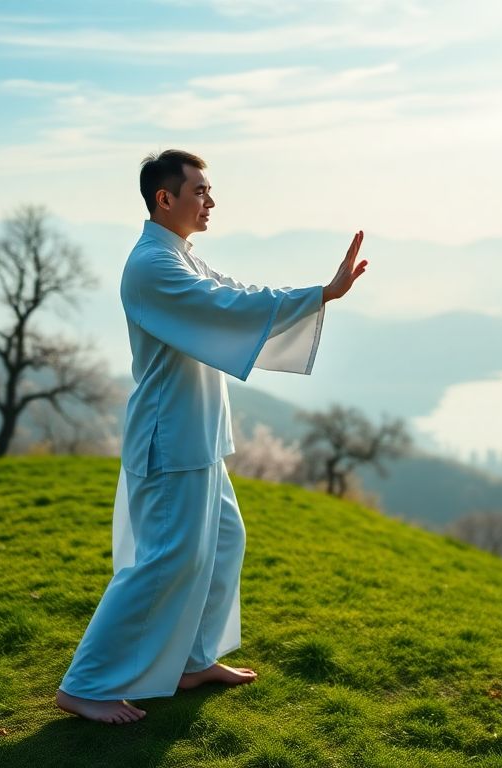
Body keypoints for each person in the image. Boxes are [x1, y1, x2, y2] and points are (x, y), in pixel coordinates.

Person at [54, 149, 367, 724]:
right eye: (199, 191)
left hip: (196, 436)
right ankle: (86, 684)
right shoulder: (153, 265)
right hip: (169, 438)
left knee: (224, 543)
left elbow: (235, 291)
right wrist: (319, 294)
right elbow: (224, 305)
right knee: (162, 563)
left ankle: (189, 661)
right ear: (163, 199)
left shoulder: (179, 257)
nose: (210, 201)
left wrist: (315, 294)